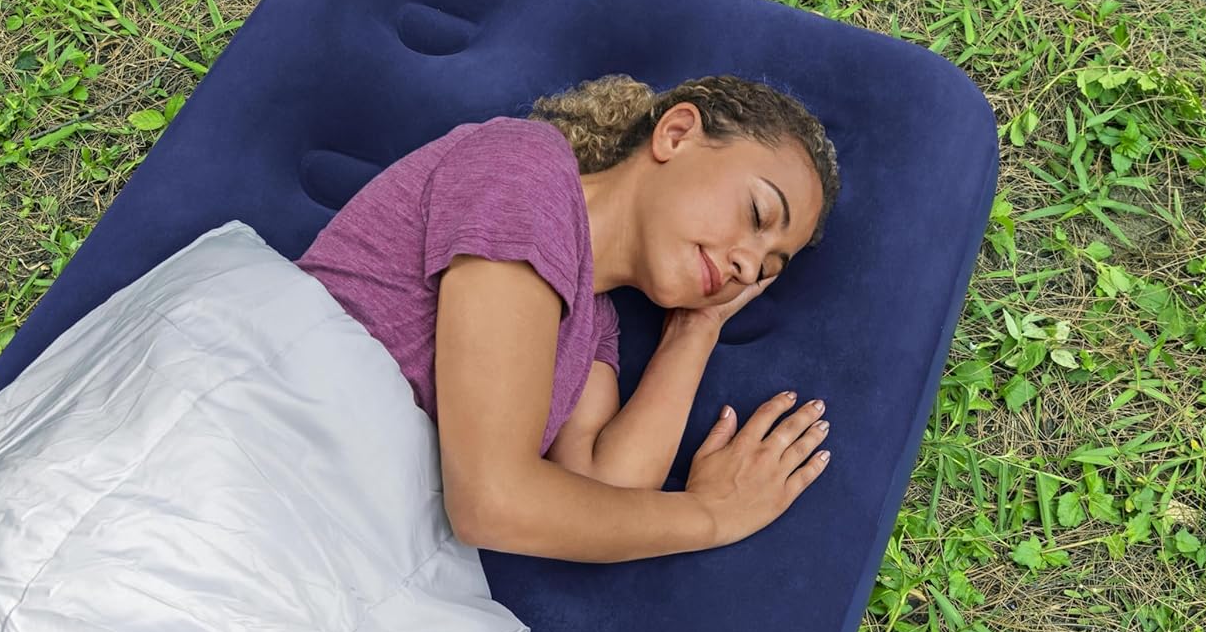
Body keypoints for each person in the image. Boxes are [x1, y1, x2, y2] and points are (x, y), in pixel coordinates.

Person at [296, 73, 842, 564]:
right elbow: (494, 500)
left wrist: (697, 327)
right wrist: (712, 514)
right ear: (676, 134)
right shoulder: (527, 169)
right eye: (756, 215)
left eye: (768, 268)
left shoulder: (593, 325)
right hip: (280, 431)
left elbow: (605, 494)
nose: (747, 266)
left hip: (328, 518)